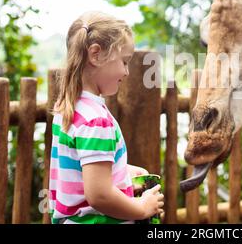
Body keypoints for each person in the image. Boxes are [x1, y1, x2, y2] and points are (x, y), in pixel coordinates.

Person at [48, 11, 164, 224]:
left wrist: (122, 170)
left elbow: (80, 167)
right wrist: (141, 208)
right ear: (95, 55)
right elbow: (99, 195)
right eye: (125, 61)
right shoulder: (96, 121)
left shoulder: (71, 108)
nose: (127, 72)